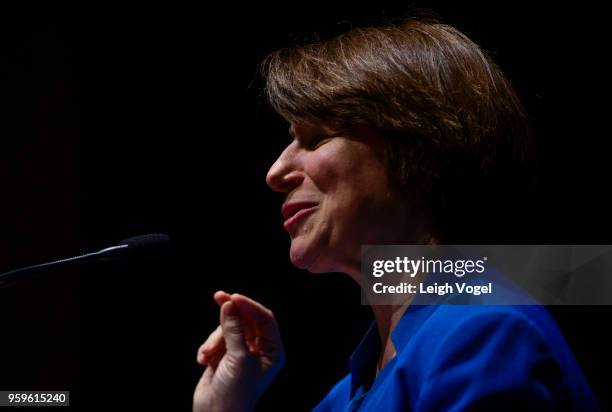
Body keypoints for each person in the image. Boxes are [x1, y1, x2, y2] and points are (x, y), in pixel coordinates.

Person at [192, 19, 599, 411]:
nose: (275, 173)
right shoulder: (348, 395)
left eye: (318, 137)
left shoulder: (483, 332)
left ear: (422, 148)